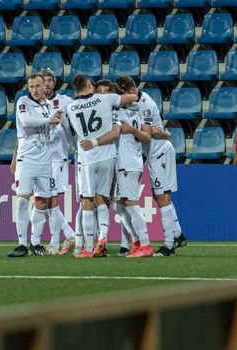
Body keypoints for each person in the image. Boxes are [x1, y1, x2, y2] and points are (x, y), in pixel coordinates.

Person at [63, 74, 139, 258]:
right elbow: (132, 98)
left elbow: (70, 132)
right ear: (90, 84)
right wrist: (128, 96)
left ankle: (88, 248)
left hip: (87, 157)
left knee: (87, 200)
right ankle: (103, 238)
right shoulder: (106, 99)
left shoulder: (70, 107)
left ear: (75, 90)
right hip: (108, 156)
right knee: (102, 199)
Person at [115, 76, 187, 257]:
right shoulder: (135, 102)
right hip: (155, 154)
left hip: (160, 153)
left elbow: (151, 131)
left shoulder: (145, 104)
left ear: (131, 91)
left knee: (162, 198)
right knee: (160, 197)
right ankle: (177, 234)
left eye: (122, 94)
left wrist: (160, 132)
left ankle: (169, 245)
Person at [7, 73, 62, 257]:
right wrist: (50, 120)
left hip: (45, 161)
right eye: (32, 87)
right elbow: (26, 122)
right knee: (22, 201)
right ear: (28, 88)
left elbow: (47, 129)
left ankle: (35, 243)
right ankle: (21, 244)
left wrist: (54, 122)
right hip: (27, 160)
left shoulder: (46, 105)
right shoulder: (23, 102)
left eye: (38, 86)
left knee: (43, 202)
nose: (35, 90)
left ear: (44, 86)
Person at [111, 84, 155, 258]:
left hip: (127, 164)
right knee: (120, 206)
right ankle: (136, 241)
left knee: (131, 204)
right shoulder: (134, 112)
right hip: (130, 163)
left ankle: (145, 244)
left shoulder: (118, 115)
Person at [39, 68, 76, 255]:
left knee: (51, 200)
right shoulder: (33, 103)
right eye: (43, 80)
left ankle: (54, 243)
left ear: (54, 82)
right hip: (38, 158)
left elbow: (79, 118)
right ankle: (70, 235)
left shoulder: (65, 101)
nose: (46, 84)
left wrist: (66, 128)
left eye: (49, 80)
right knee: (44, 200)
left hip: (57, 157)